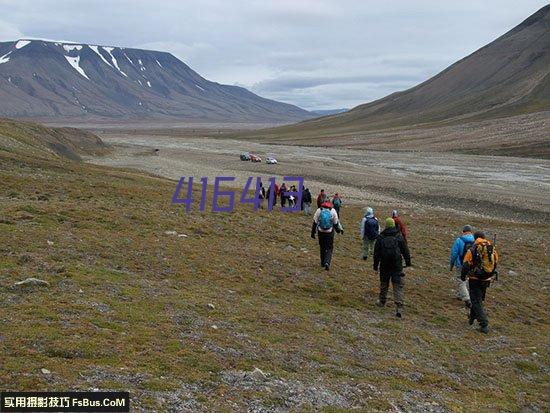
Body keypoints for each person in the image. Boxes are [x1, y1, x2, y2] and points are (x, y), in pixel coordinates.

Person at [461, 231, 499, 334]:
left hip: (475, 279)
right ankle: (472, 317)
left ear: (475, 238)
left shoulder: (473, 249)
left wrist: (463, 277)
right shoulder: (492, 249)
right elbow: (495, 263)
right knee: (478, 299)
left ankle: (484, 324)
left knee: (476, 301)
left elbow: (466, 265)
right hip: (486, 279)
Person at [373, 217, 411, 318]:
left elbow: (376, 253)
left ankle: (382, 301)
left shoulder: (381, 237)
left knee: (384, 283)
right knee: (398, 285)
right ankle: (399, 307)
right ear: (394, 225)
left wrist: (375, 266)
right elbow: (405, 250)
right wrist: (408, 262)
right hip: (397, 265)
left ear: (386, 225)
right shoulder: (399, 236)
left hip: (384, 264)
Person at [311, 200, 343, 271]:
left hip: (321, 232)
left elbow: (315, 222)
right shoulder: (333, 211)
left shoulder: (319, 210)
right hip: (329, 232)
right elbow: (335, 223)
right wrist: (338, 231)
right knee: (329, 248)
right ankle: (327, 262)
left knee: (322, 247)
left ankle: (322, 262)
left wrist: (313, 233)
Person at [449, 225, 475, 308]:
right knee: (467, 280)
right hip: (472, 265)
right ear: (471, 232)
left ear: (463, 231)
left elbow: (454, 254)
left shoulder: (459, 240)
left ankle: (467, 299)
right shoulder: (475, 241)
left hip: (461, 264)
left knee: (461, 281)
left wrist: (452, 264)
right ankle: (461, 295)